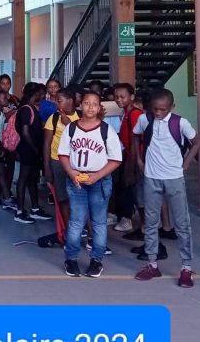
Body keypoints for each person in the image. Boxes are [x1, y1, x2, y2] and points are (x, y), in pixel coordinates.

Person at [133, 89, 200, 288]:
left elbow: (197, 142)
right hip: (152, 177)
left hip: (174, 178)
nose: (158, 113)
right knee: (151, 222)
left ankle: (186, 267)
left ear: (172, 107)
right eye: (155, 109)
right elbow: (135, 136)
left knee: (182, 224)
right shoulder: (145, 120)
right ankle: (152, 264)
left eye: (163, 109)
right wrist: (138, 160)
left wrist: (186, 163)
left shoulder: (180, 123)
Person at [58, 92, 122, 278]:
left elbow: (116, 159)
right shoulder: (71, 128)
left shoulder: (106, 130)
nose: (91, 107)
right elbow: (63, 154)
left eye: (95, 103)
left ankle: (96, 260)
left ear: (99, 107)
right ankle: (71, 259)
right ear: (80, 105)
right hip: (76, 179)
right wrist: (71, 172)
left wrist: (97, 176)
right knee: (76, 221)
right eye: (87, 103)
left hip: (99, 180)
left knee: (99, 221)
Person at [43, 88, 79, 237]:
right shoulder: (54, 118)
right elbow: (47, 143)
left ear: (70, 101)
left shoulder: (81, 117)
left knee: (78, 197)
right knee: (62, 196)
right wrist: (47, 167)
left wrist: (68, 124)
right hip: (57, 161)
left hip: (76, 163)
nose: (56, 103)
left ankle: (80, 227)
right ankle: (69, 228)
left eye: (59, 100)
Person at [14, 83, 52, 223]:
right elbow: (25, 132)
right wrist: (35, 149)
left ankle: (35, 209)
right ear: (35, 94)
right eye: (41, 93)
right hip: (28, 149)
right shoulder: (26, 109)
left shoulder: (32, 108)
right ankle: (19, 211)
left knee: (32, 178)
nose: (43, 96)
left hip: (33, 149)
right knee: (23, 178)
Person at [113, 83, 143, 233]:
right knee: (128, 190)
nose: (119, 99)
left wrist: (133, 164)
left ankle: (141, 226)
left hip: (134, 159)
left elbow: (136, 140)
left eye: (122, 96)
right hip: (128, 157)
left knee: (137, 193)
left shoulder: (135, 114)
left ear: (131, 97)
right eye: (116, 96)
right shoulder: (126, 113)